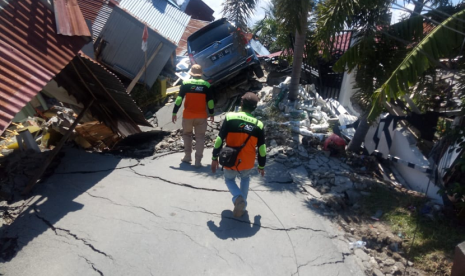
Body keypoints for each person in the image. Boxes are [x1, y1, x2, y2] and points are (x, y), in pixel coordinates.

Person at [211, 92, 266, 218]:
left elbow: (219, 140)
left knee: (229, 179)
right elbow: (262, 149)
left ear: (241, 104)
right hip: (247, 162)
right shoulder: (259, 125)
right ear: (254, 108)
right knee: (245, 179)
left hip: (231, 159)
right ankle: (242, 206)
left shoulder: (230, 117)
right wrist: (262, 166)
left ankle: (238, 199)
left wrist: (214, 158)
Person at [172, 64, 214, 167]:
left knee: (187, 135)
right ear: (200, 74)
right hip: (201, 116)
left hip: (188, 116)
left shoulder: (185, 83)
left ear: (191, 73)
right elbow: (210, 101)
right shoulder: (206, 85)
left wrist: (174, 112)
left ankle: (187, 157)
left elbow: (179, 99)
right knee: (200, 137)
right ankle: (198, 161)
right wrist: (212, 113)